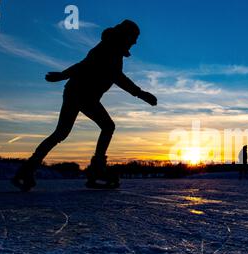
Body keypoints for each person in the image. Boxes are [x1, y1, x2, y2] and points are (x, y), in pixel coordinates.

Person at [11, 20, 157, 191]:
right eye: (134, 38)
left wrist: (63, 75)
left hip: (80, 93)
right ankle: (97, 170)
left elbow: (89, 66)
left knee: (62, 133)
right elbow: (109, 74)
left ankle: (27, 171)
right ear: (126, 36)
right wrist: (140, 93)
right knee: (106, 126)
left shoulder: (111, 48)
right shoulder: (108, 49)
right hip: (81, 94)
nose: (135, 42)